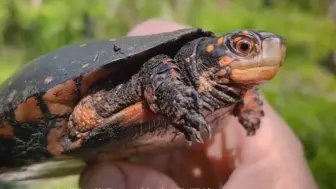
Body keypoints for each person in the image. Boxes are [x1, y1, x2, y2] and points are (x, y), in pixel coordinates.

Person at [78, 19, 318, 189]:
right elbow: (155, 67)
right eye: (244, 47)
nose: (274, 54)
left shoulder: (234, 95)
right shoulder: (164, 69)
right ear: (201, 57)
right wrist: (174, 97)